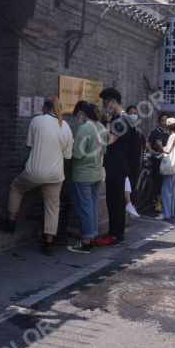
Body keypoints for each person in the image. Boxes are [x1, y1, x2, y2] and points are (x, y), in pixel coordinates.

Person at [0, 98, 73, 255]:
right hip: (56, 174)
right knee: (53, 207)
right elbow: (67, 155)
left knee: (16, 187)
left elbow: (30, 145)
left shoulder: (37, 121)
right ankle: (48, 244)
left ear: (44, 108)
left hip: (35, 171)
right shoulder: (66, 126)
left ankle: (11, 222)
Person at [95, 88, 137, 247]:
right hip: (119, 165)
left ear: (112, 101)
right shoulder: (123, 118)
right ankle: (117, 234)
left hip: (116, 165)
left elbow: (110, 140)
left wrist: (106, 122)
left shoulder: (121, 120)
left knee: (115, 201)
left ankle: (115, 235)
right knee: (116, 200)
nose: (106, 107)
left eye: (106, 103)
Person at [67, 101, 107, 254]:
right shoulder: (102, 127)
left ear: (81, 113)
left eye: (77, 115)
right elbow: (104, 151)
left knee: (84, 209)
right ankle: (92, 237)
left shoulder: (84, 128)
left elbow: (77, 154)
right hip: (97, 173)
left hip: (83, 174)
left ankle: (86, 242)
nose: (78, 118)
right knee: (92, 207)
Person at [152, 118, 175, 220]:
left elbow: (167, 151)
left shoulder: (172, 137)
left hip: (170, 167)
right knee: (171, 192)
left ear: (168, 127)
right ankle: (171, 212)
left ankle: (166, 214)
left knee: (166, 191)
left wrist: (160, 146)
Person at [124, 105, 147, 218]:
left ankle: (131, 206)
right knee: (125, 187)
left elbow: (145, 146)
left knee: (132, 186)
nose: (133, 115)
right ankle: (127, 207)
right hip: (124, 163)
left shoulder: (139, 132)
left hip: (135, 164)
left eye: (135, 113)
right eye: (131, 113)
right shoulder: (124, 130)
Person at [147, 112, 171, 213]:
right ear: (159, 121)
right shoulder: (155, 132)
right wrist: (151, 150)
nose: (164, 122)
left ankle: (165, 202)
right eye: (162, 120)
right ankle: (158, 202)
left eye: (166, 120)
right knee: (158, 181)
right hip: (157, 160)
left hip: (167, 160)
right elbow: (148, 143)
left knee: (166, 181)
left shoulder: (169, 133)